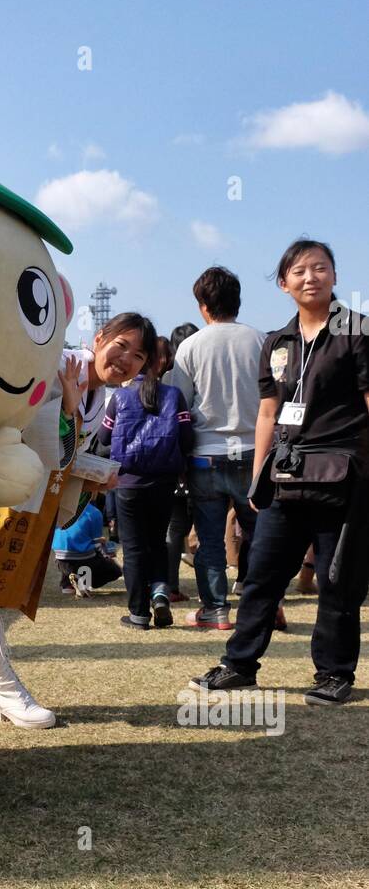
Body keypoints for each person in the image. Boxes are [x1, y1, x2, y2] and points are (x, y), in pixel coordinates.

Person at [0, 313, 154, 727]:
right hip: (3, 490)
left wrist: (95, 473)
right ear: (100, 336)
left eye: (138, 356)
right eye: (121, 345)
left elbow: (60, 454)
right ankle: (5, 690)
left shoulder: (101, 393)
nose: (126, 359)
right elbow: (31, 431)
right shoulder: (58, 364)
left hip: (33, 498)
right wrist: (69, 410)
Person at [191, 239, 369, 706]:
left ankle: (334, 674)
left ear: (334, 276)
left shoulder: (358, 332)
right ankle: (239, 665)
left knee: (336, 580)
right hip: (286, 477)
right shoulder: (278, 341)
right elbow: (267, 414)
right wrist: (257, 477)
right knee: (262, 575)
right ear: (284, 282)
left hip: (342, 476)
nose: (311, 277)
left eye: (321, 268)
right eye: (300, 270)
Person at [170, 267, 265, 630]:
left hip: (205, 453)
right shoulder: (260, 341)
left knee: (209, 539)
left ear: (203, 306)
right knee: (259, 535)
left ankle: (215, 610)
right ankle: (263, 607)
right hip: (253, 451)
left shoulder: (190, 346)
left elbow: (181, 406)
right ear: (237, 302)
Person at [99, 356, 193, 628]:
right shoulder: (174, 395)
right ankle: (160, 594)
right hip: (164, 482)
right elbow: (187, 438)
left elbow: (105, 438)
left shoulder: (120, 397)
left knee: (133, 548)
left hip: (128, 483)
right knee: (157, 543)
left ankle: (138, 613)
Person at [163, 322, 199, 600]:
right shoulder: (203, 372)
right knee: (203, 526)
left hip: (171, 462)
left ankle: (170, 585)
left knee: (176, 528)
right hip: (201, 455)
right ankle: (211, 591)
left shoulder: (166, 379)